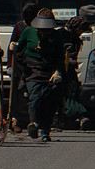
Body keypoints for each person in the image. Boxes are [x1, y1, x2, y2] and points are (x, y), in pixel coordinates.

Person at [16, 8, 66, 141]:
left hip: (49, 71)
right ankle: (33, 123)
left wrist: (58, 72)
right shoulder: (28, 32)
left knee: (49, 101)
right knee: (35, 96)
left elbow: (60, 56)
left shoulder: (56, 36)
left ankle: (45, 131)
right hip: (33, 70)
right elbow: (19, 50)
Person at [7, 0, 40, 131]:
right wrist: (9, 64)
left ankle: (35, 120)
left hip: (35, 64)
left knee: (34, 92)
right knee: (18, 93)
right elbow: (12, 44)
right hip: (20, 64)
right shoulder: (19, 26)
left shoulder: (40, 27)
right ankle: (18, 121)